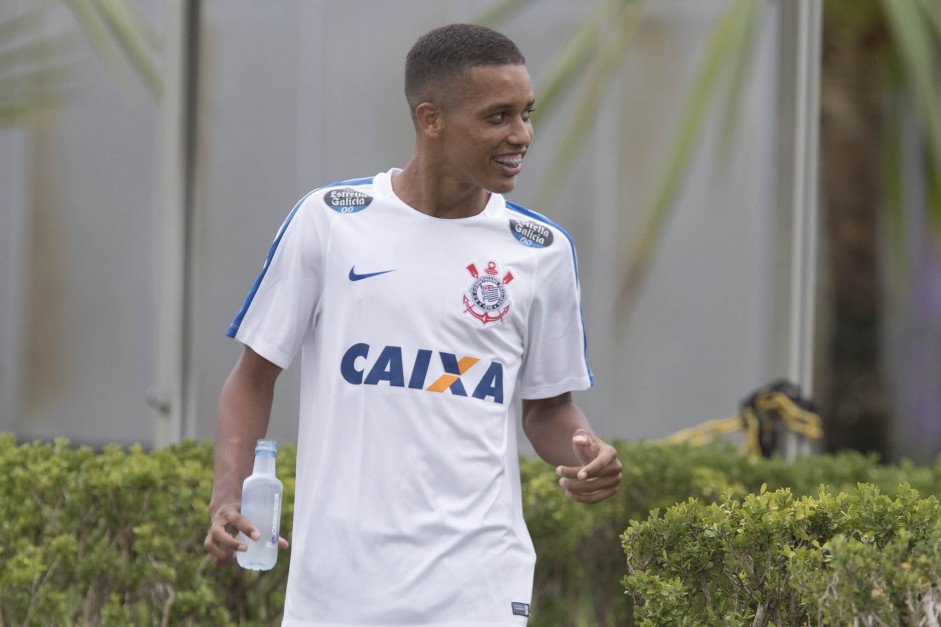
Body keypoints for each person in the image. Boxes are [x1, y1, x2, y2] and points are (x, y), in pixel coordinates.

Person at [204, 22, 622, 626]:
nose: (522, 135)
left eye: (527, 114)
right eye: (498, 116)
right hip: (339, 585)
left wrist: (586, 455)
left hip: (478, 583)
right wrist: (227, 497)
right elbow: (252, 378)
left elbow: (547, 408)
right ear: (431, 119)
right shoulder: (331, 221)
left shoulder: (541, 251)